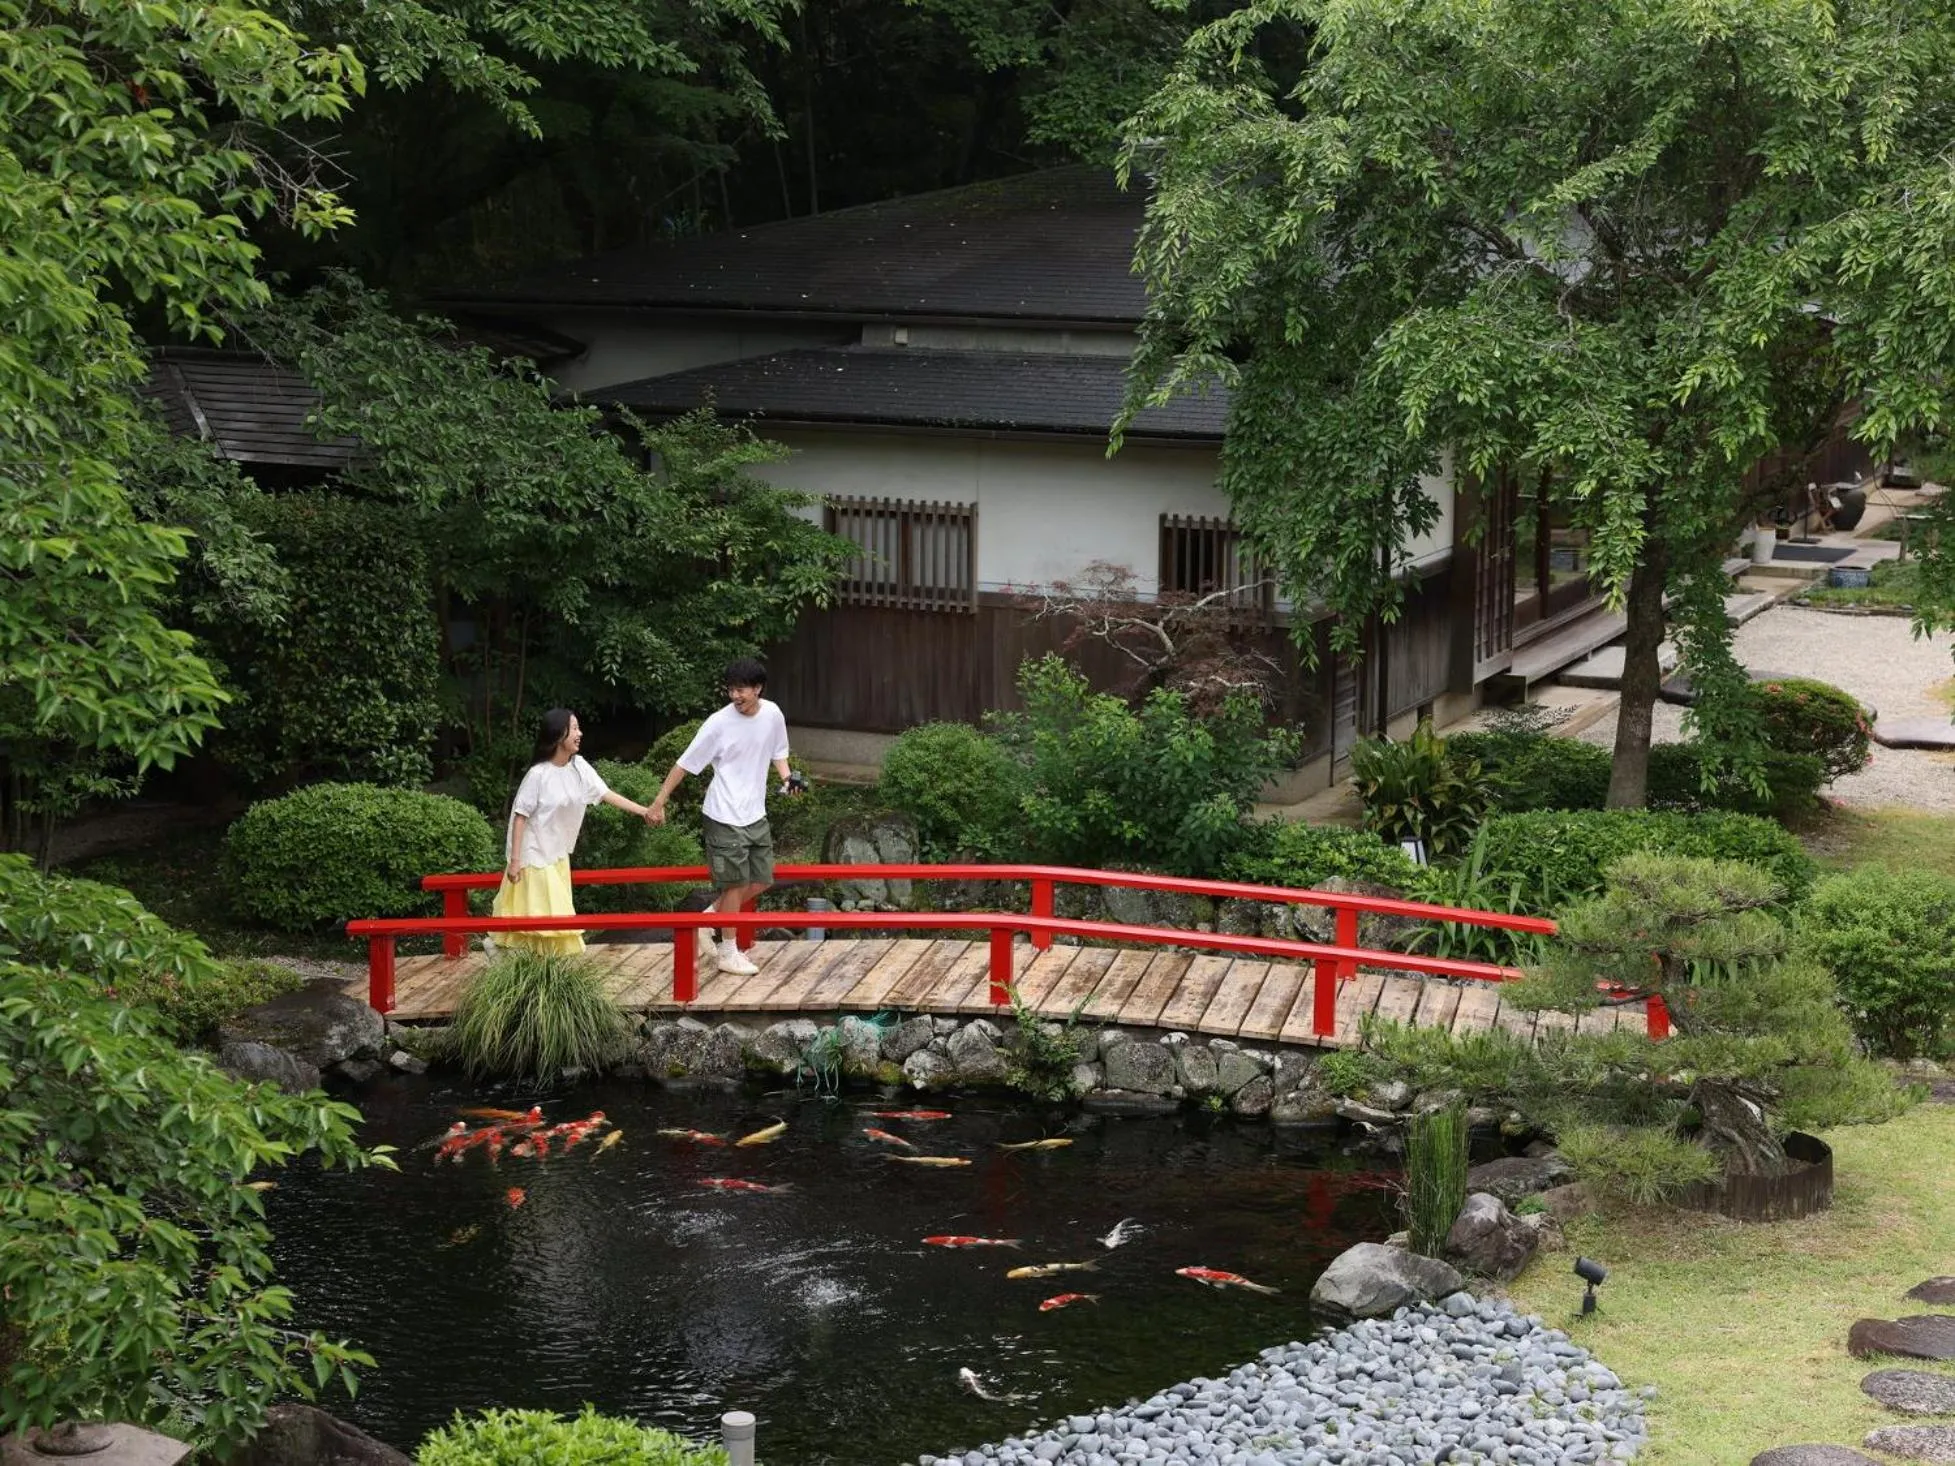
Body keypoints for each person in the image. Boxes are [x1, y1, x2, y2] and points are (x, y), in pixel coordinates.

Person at [649, 658, 793, 978]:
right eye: (730, 690)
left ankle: (707, 920)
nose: (735, 696)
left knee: (762, 879)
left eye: (741, 690)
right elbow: (685, 763)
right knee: (735, 883)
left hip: (754, 813)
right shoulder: (718, 723)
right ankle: (728, 952)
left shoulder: (772, 715)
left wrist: (787, 779)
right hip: (723, 813)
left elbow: (778, 752)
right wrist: (659, 801)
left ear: (758, 689)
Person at [492, 709, 656, 954]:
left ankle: (518, 963)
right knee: (548, 919)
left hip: (557, 854)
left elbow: (605, 793)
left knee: (548, 919)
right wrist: (515, 861)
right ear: (559, 735)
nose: (580, 733)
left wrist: (644, 811)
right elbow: (520, 817)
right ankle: (522, 964)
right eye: (575, 728)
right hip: (534, 856)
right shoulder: (538, 775)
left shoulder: (578, 767)